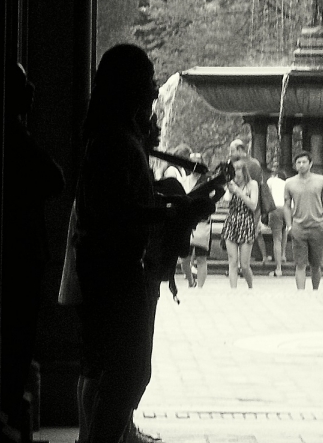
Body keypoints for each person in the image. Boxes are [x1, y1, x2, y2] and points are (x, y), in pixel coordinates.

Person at [74, 44, 213, 443]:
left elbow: (129, 203)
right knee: (127, 371)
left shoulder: (115, 138)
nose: (155, 91)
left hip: (112, 267)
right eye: (149, 81)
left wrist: (176, 205)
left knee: (120, 371)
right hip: (116, 271)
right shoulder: (117, 143)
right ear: (129, 85)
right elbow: (121, 212)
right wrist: (179, 211)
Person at [1, 63, 65, 439]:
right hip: (20, 253)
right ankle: (7, 408)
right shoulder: (13, 136)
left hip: (21, 250)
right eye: (24, 84)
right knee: (17, 338)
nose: (33, 90)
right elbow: (53, 177)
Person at [284, 150, 323, 290]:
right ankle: (301, 294)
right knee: (300, 264)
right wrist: (289, 226)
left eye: (304, 162)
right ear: (295, 165)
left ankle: (315, 291)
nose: (301, 165)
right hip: (298, 227)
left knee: (316, 264)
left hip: (317, 226)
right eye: (298, 162)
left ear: (310, 164)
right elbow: (286, 205)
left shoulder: (321, 180)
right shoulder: (289, 183)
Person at [171, 147, 212, 289]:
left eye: (197, 163)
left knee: (201, 257)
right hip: (186, 222)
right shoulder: (183, 181)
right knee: (184, 258)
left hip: (202, 223)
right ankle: (190, 281)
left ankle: (200, 287)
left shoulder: (207, 182)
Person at [229, 138, 270, 265]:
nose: (230, 153)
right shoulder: (254, 163)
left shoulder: (250, 164)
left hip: (250, 205)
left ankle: (244, 263)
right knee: (250, 233)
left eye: (232, 150)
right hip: (241, 206)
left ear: (240, 150)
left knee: (247, 233)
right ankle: (246, 262)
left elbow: (256, 185)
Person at [220, 159, 258, 289]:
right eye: (233, 171)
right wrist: (230, 191)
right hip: (232, 222)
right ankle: (233, 291)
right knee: (232, 261)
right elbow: (225, 202)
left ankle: (250, 287)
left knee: (245, 264)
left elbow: (253, 205)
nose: (236, 174)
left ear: (244, 171)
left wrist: (239, 192)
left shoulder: (252, 185)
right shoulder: (230, 185)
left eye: (238, 170)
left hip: (246, 222)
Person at [267, 169, 290, 276]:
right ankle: (283, 255)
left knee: (277, 239)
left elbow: (266, 193)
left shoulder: (272, 180)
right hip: (288, 209)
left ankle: (278, 268)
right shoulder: (287, 183)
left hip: (275, 209)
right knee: (284, 231)